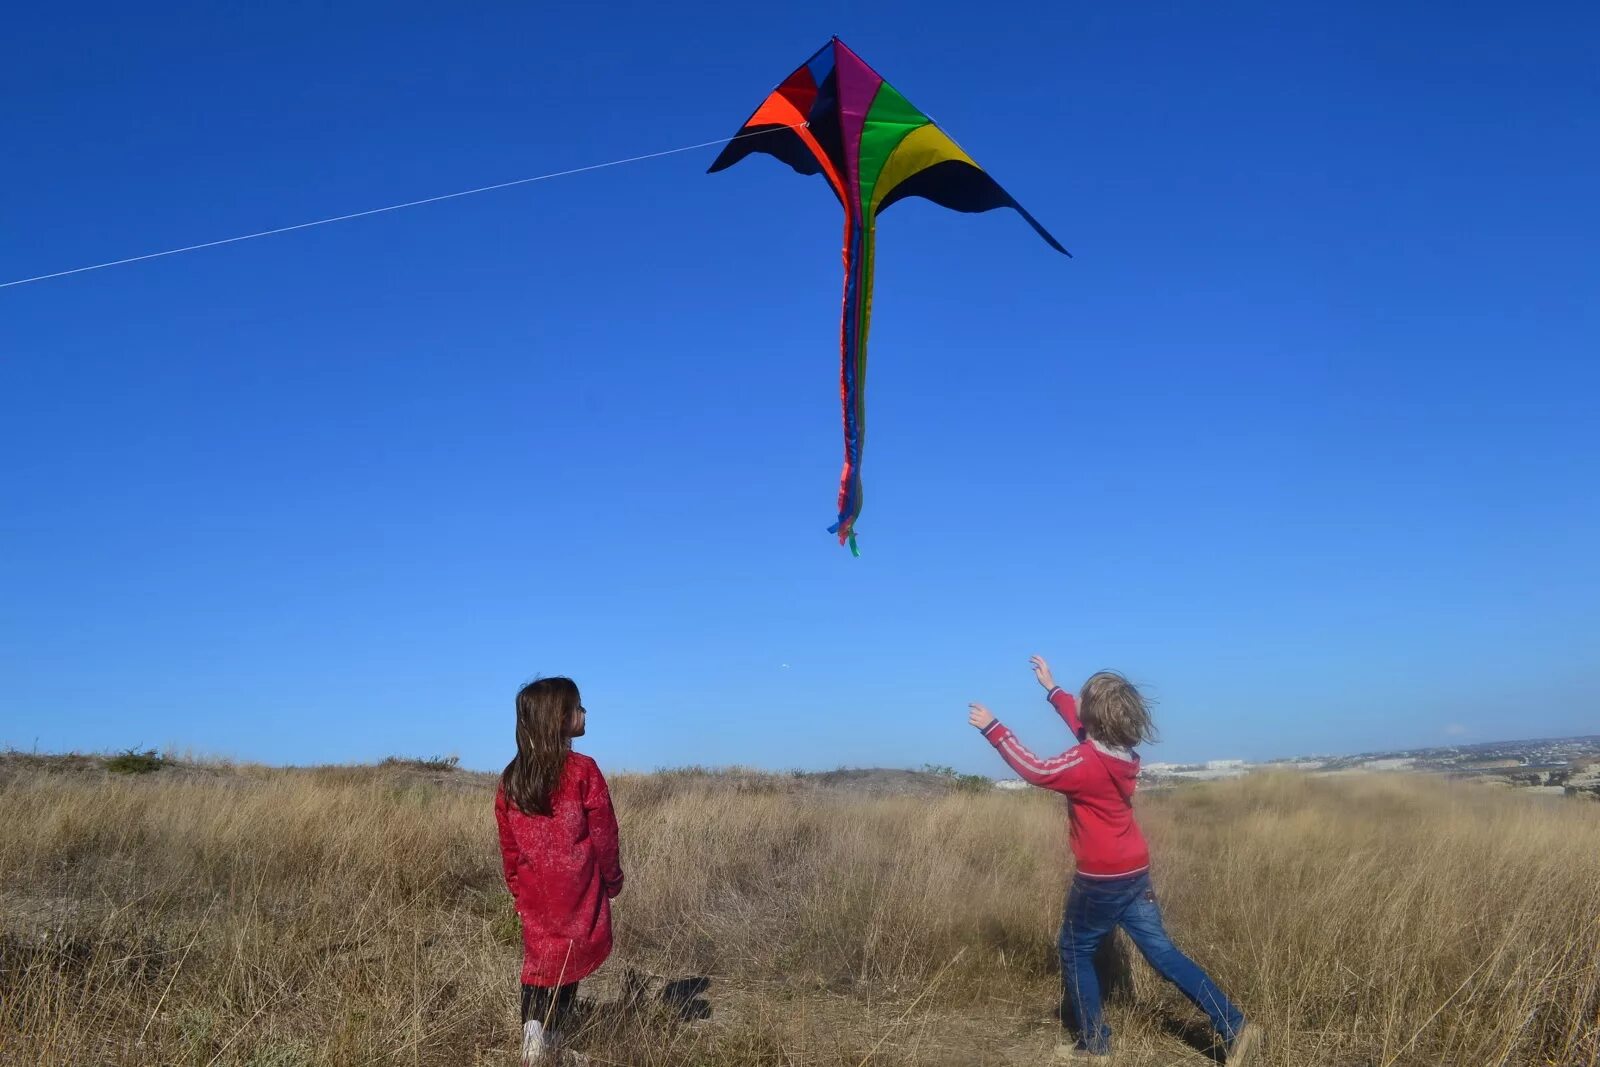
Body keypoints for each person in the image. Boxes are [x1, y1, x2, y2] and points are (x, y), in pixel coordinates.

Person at [967, 656, 1262, 1064]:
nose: (1080, 707)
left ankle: (1094, 1045)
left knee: (1073, 950)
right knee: (1164, 955)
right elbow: (1084, 723)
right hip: (1134, 870)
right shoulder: (1123, 751)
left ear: (1095, 719)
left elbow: (1035, 769)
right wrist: (1051, 689)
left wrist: (993, 728)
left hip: (1101, 878)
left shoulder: (1084, 763)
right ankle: (1235, 1026)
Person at [495, 677, 624, 1065]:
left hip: (536, 890)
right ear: (558, 719)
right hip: (579, 887)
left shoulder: (512, 779)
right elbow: (604, 833)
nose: (584, 713)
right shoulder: (583, 771)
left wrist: (518, 888)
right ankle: (546, 1038)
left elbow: (510, 847)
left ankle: (537, 1037)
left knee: (541, 961)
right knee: (570, 957)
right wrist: (612, 878)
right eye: (577, 707)